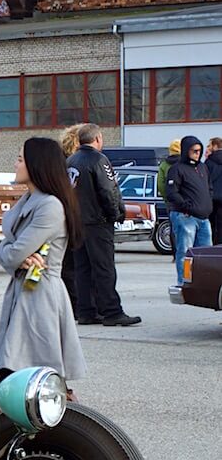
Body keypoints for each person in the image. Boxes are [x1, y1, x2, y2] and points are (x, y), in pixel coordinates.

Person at [0, 137, 86, 398]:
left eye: (21, 159)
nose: (15, 163)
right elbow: (7, 252)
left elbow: (12, 254)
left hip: (41, 298)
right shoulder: (29, 200)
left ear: (37, 164)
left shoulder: (49, 206)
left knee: (35, 378)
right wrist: (10, 253)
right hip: (23, 293)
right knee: (17, 376)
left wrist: (11, 253)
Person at [65, 123, 140, 326]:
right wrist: (115, 213)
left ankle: (86, 311)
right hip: (97, 222)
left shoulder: (71, 161)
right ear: (97, 138)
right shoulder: (99, 160)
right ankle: (111, 311)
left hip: (77, 222)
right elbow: (108, 190)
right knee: (104, 267)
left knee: (82, 268)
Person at [166, 135, 214, 286]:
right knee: (186, 253)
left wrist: (207, 203)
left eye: (199, 150)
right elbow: (172, 192)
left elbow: (209, 187)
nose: (197, 153)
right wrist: (186, 206)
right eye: (194, 151)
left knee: (206, 254)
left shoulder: (202, 167)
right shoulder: (176, 169)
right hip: (185, 217)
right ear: (186, 150)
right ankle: (184, 284)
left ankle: (204, 284)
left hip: (204, 218)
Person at [58, 124, 85, 316]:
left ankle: (72, 304)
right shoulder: (76, 163)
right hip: (74, 218)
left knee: (68, 265)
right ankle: (75, 305)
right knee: (73, 265)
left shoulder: (61, 161)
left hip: (65, 217)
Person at [205, 137, 222, 245]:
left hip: (212, 199)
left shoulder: (209, 162)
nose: (208, 147)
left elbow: (204, 180)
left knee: (211, 227)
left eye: (209, 145)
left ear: (215, 146)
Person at [157, 138, 181, 203]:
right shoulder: (186, 164)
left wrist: (167, 197)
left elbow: (160, 185)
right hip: (186, 202)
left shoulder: (164, 165)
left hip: (170, 201)